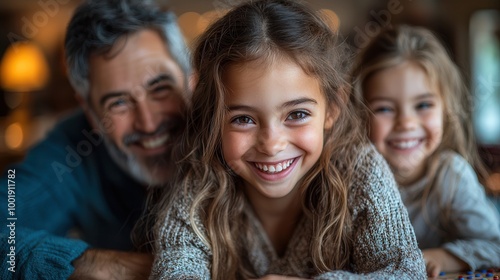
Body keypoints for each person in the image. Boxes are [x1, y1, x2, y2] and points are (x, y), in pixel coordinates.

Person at [147, 1, 426, 279]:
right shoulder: (200, 182)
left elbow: (405, 272)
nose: (271, 144)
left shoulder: (360, 172)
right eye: (243, 119)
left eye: (297, 114)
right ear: (213, 120)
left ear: (332, 109)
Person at [0, 0, 191, 279]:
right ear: (89, 111)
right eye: (118, 103)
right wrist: (139, 269)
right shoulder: (72, 150)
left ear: (190, 78)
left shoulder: (232, 132)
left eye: (160, 89)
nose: (148, 123)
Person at [351, 25, 500, 277]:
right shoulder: (348, 179)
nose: (406, 123)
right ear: (359, 113)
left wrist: (442, 256)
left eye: (423, 105)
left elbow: (495, 246)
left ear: (445, 109)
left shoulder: (450, 175)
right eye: (384, 108)